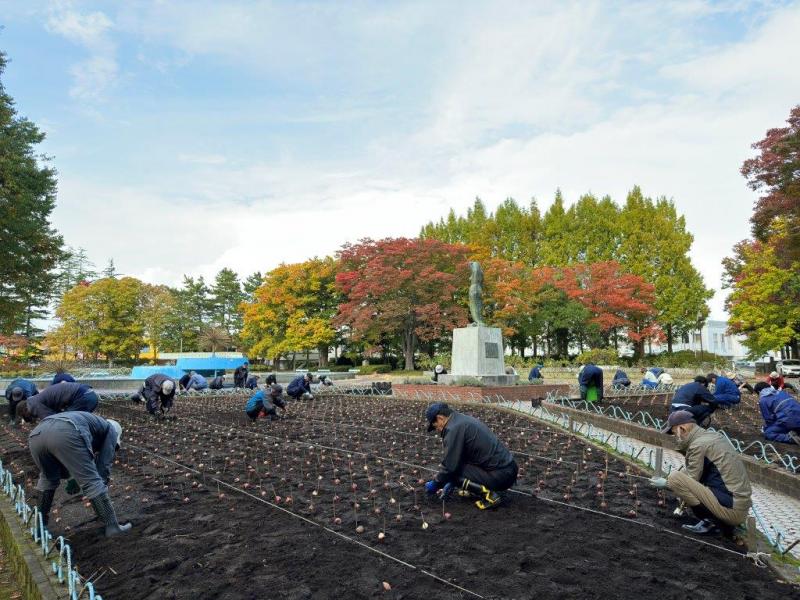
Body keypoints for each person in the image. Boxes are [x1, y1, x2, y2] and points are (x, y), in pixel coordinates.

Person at [29, 411, 131, 536]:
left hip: (36, 435)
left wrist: (74, 477)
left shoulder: (92, 424)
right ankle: (113, 527)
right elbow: (103, 466)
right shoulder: (111, 430)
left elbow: (70, 458)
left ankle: (39, 526)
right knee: (92, 481)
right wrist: (98, 489)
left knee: (48, 478)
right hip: (66, 431)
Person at [650, 410, 752, 536]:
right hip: (736, 504)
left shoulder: (698, 445)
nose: (675, 438)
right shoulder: (710, 438)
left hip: (732, 509)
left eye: (674, 433)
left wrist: (667, 483)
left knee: (675, 478)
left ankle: (712, 523)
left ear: (682, 429)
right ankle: (719, 523)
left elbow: (691, 480)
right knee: (680, 477)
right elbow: (692, 473)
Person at [423, 402, 517, 510]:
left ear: (440, 418)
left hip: (501, 476)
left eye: (435, 426)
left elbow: (450, 466)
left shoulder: (453, 429)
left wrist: (436, 483)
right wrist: (452, 482)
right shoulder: (461, 419)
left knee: (453, 472)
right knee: (455, 469)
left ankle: (490, 497)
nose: (437, 430)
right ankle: (475, 487)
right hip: (508, 469)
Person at [18, 382, 99, 423]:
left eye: (25, 416)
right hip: (89, 394)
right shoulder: (36, 399)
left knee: (68, 422)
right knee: (79, 421)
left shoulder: (34, 405)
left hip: (84, 397)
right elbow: (56, 413)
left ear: (24, 411)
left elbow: (51, 420)